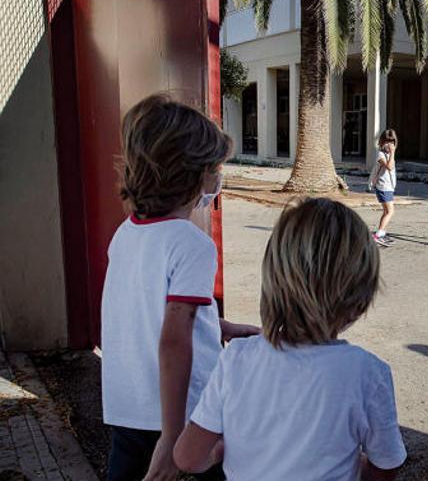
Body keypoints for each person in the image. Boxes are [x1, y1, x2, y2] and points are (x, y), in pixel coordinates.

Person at [173, 198, 407, 481]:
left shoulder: (236, 358)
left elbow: (187, 458)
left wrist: (222, 450)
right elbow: (386, 466)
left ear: (272, 282)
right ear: (359, 301)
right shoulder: (368, 373)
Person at [101, 94, 259, 481]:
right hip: (186, 411)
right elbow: (173, 339)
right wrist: (173, 436)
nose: (218, 178)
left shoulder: (125, 235)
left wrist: (217, 327)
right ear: (191, 174)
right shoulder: (192, 244)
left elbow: (142, 312)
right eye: (214, 168)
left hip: (127, 404)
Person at [369, 129, 398, 247]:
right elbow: (390, 167)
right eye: (387, 141)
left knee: (387, 211)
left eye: (392, 142)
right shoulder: (381, 154)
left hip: (388, 186)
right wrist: (392, 153)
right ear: (381, 142)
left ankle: (381, 233)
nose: (390, 144)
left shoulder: (387, 154)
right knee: (390, 211)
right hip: (383, 187)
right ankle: (378, 235)